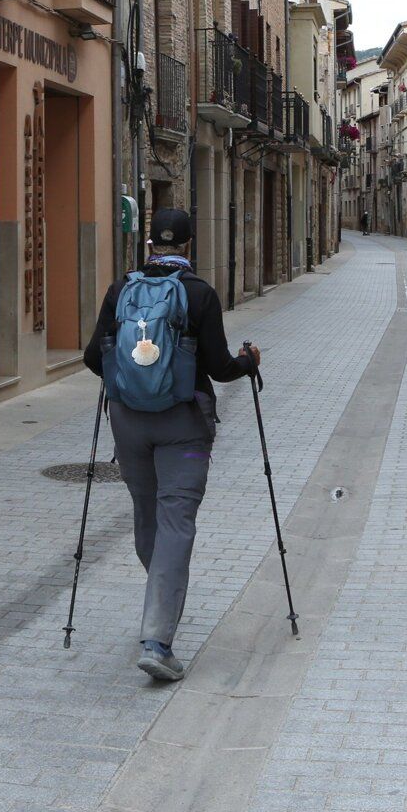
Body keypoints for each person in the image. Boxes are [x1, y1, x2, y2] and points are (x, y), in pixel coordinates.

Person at [84, 208, 260, 681]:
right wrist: (249, 361)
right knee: (176, 520)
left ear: (149, 246)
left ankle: (159, 598)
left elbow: (91, 356)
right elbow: (220, 368)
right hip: (184, 426)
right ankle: (157, 640)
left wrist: (132, 384)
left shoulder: (122, 289)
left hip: (129, 425)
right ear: (187, 246)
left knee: (147, 512)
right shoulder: (198, 293)